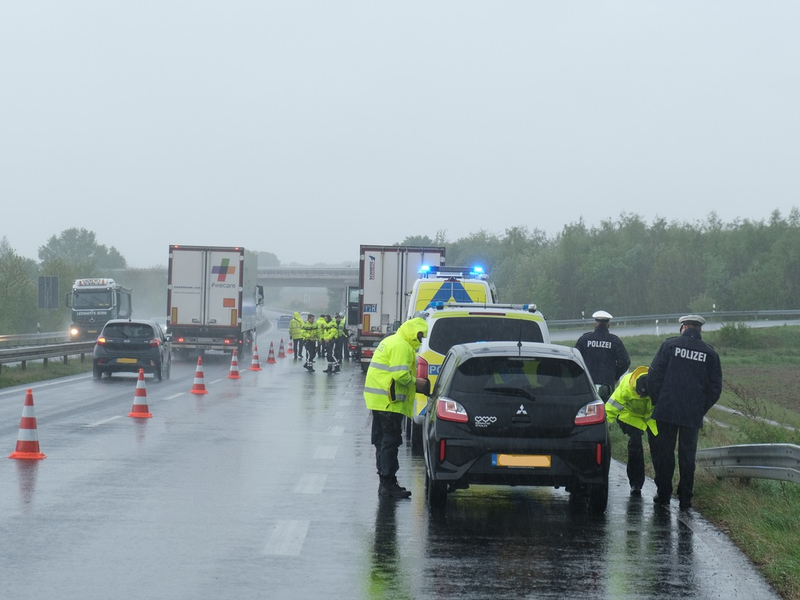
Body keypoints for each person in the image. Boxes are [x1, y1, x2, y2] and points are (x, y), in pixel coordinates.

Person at [648, 314, 722, 510]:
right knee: (687, 455)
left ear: (683, 327)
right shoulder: (710, 353)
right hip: (692, 412)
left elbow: (653, 376)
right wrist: (700, 408)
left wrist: (658, 401)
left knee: (665, 453)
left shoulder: (669, 346)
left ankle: (663, 493)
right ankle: (685, 497)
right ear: (699, 329)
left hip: (667, 410)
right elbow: (715, 389)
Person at [363, 317, 430, 499]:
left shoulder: (391, 340)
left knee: (382, 442)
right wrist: (419, 383)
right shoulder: (402, 346)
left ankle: (386, 482)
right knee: (390, 443)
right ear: (413, 331)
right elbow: (400, 375)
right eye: (420, 335)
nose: (421, 340)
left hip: (379, 401)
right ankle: (387, 484)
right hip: (389, 402)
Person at [605, 366, 658, 496]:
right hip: (630, 416)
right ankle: (636, 484)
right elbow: (611, 408)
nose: (640, 396)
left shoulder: (658, 385)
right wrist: (603, 426)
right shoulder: (626, 387)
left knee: (659, 449)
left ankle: (663, 487)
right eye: (639, 393)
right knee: (635, 445)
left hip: (651, 417)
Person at [575, 310, 631, 390]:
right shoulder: (615, 341)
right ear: (608, 325)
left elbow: (576, 359)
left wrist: (581, 376)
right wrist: (615, 376)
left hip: (587, 383)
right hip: (607, 384)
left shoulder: (584, 339)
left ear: (595, 324)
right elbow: (625, 362)